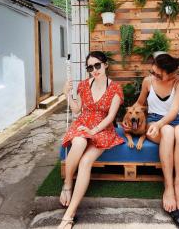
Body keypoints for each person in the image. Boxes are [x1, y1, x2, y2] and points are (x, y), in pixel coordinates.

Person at [58, 51, 124, 229]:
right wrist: (67, 94)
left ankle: (69, 214)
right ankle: (68, 183)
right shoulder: (83, 85)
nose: (94, 70)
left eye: (97, 65)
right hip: (82, 123)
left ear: (105, 64)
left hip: (102, 129)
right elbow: (76, 110)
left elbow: (110, 117)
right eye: (90, 67)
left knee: (86, 162)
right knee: (79, 142)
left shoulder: (115, 88)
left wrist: (92, 130)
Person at [135, 52, 179, 213]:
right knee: (167, 131)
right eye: (152, 72)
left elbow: (173, 111)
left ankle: (178, 187)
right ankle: (168, 187)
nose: (154, 75)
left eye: (158, 74)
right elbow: (139, 103)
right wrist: (129, 117)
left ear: (169, 72)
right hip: (154, 121)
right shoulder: (148, 82)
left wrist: (160, 124)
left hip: (174, 120)